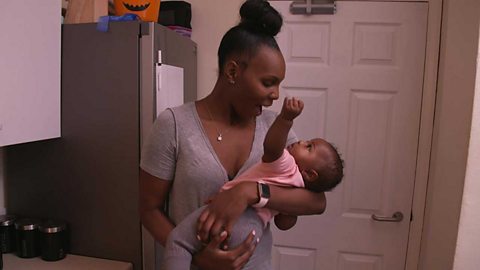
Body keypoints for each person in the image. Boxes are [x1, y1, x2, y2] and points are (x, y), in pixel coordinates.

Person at [139, 1, 327, 269]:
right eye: (268, 82)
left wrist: (249, 192)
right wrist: (197, 258)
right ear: (232, 72)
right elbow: (149, 209)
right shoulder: (174, 125)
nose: (275, 94)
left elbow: (316, 201)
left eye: (278, 84)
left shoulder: (276, 129)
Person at [162, 97, 344, 270]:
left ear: (310, 174)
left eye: (309, 146)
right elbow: (285, 222)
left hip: (228, 216)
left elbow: (272, 148)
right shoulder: (297, 188)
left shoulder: (287, 164)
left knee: (178, 242)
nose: (302, 141)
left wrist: (286, 119)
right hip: (253, 230)